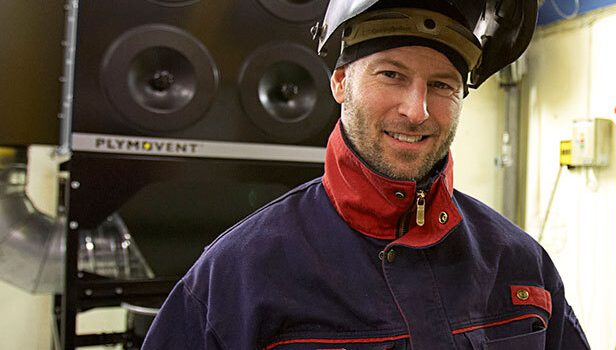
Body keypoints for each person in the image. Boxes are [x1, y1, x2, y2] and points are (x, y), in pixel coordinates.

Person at [142, 0, 590, 349]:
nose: (417, 111)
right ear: (340, 82)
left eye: (442, 85)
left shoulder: (521, 265)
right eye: (391, 74)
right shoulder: (237, 276)